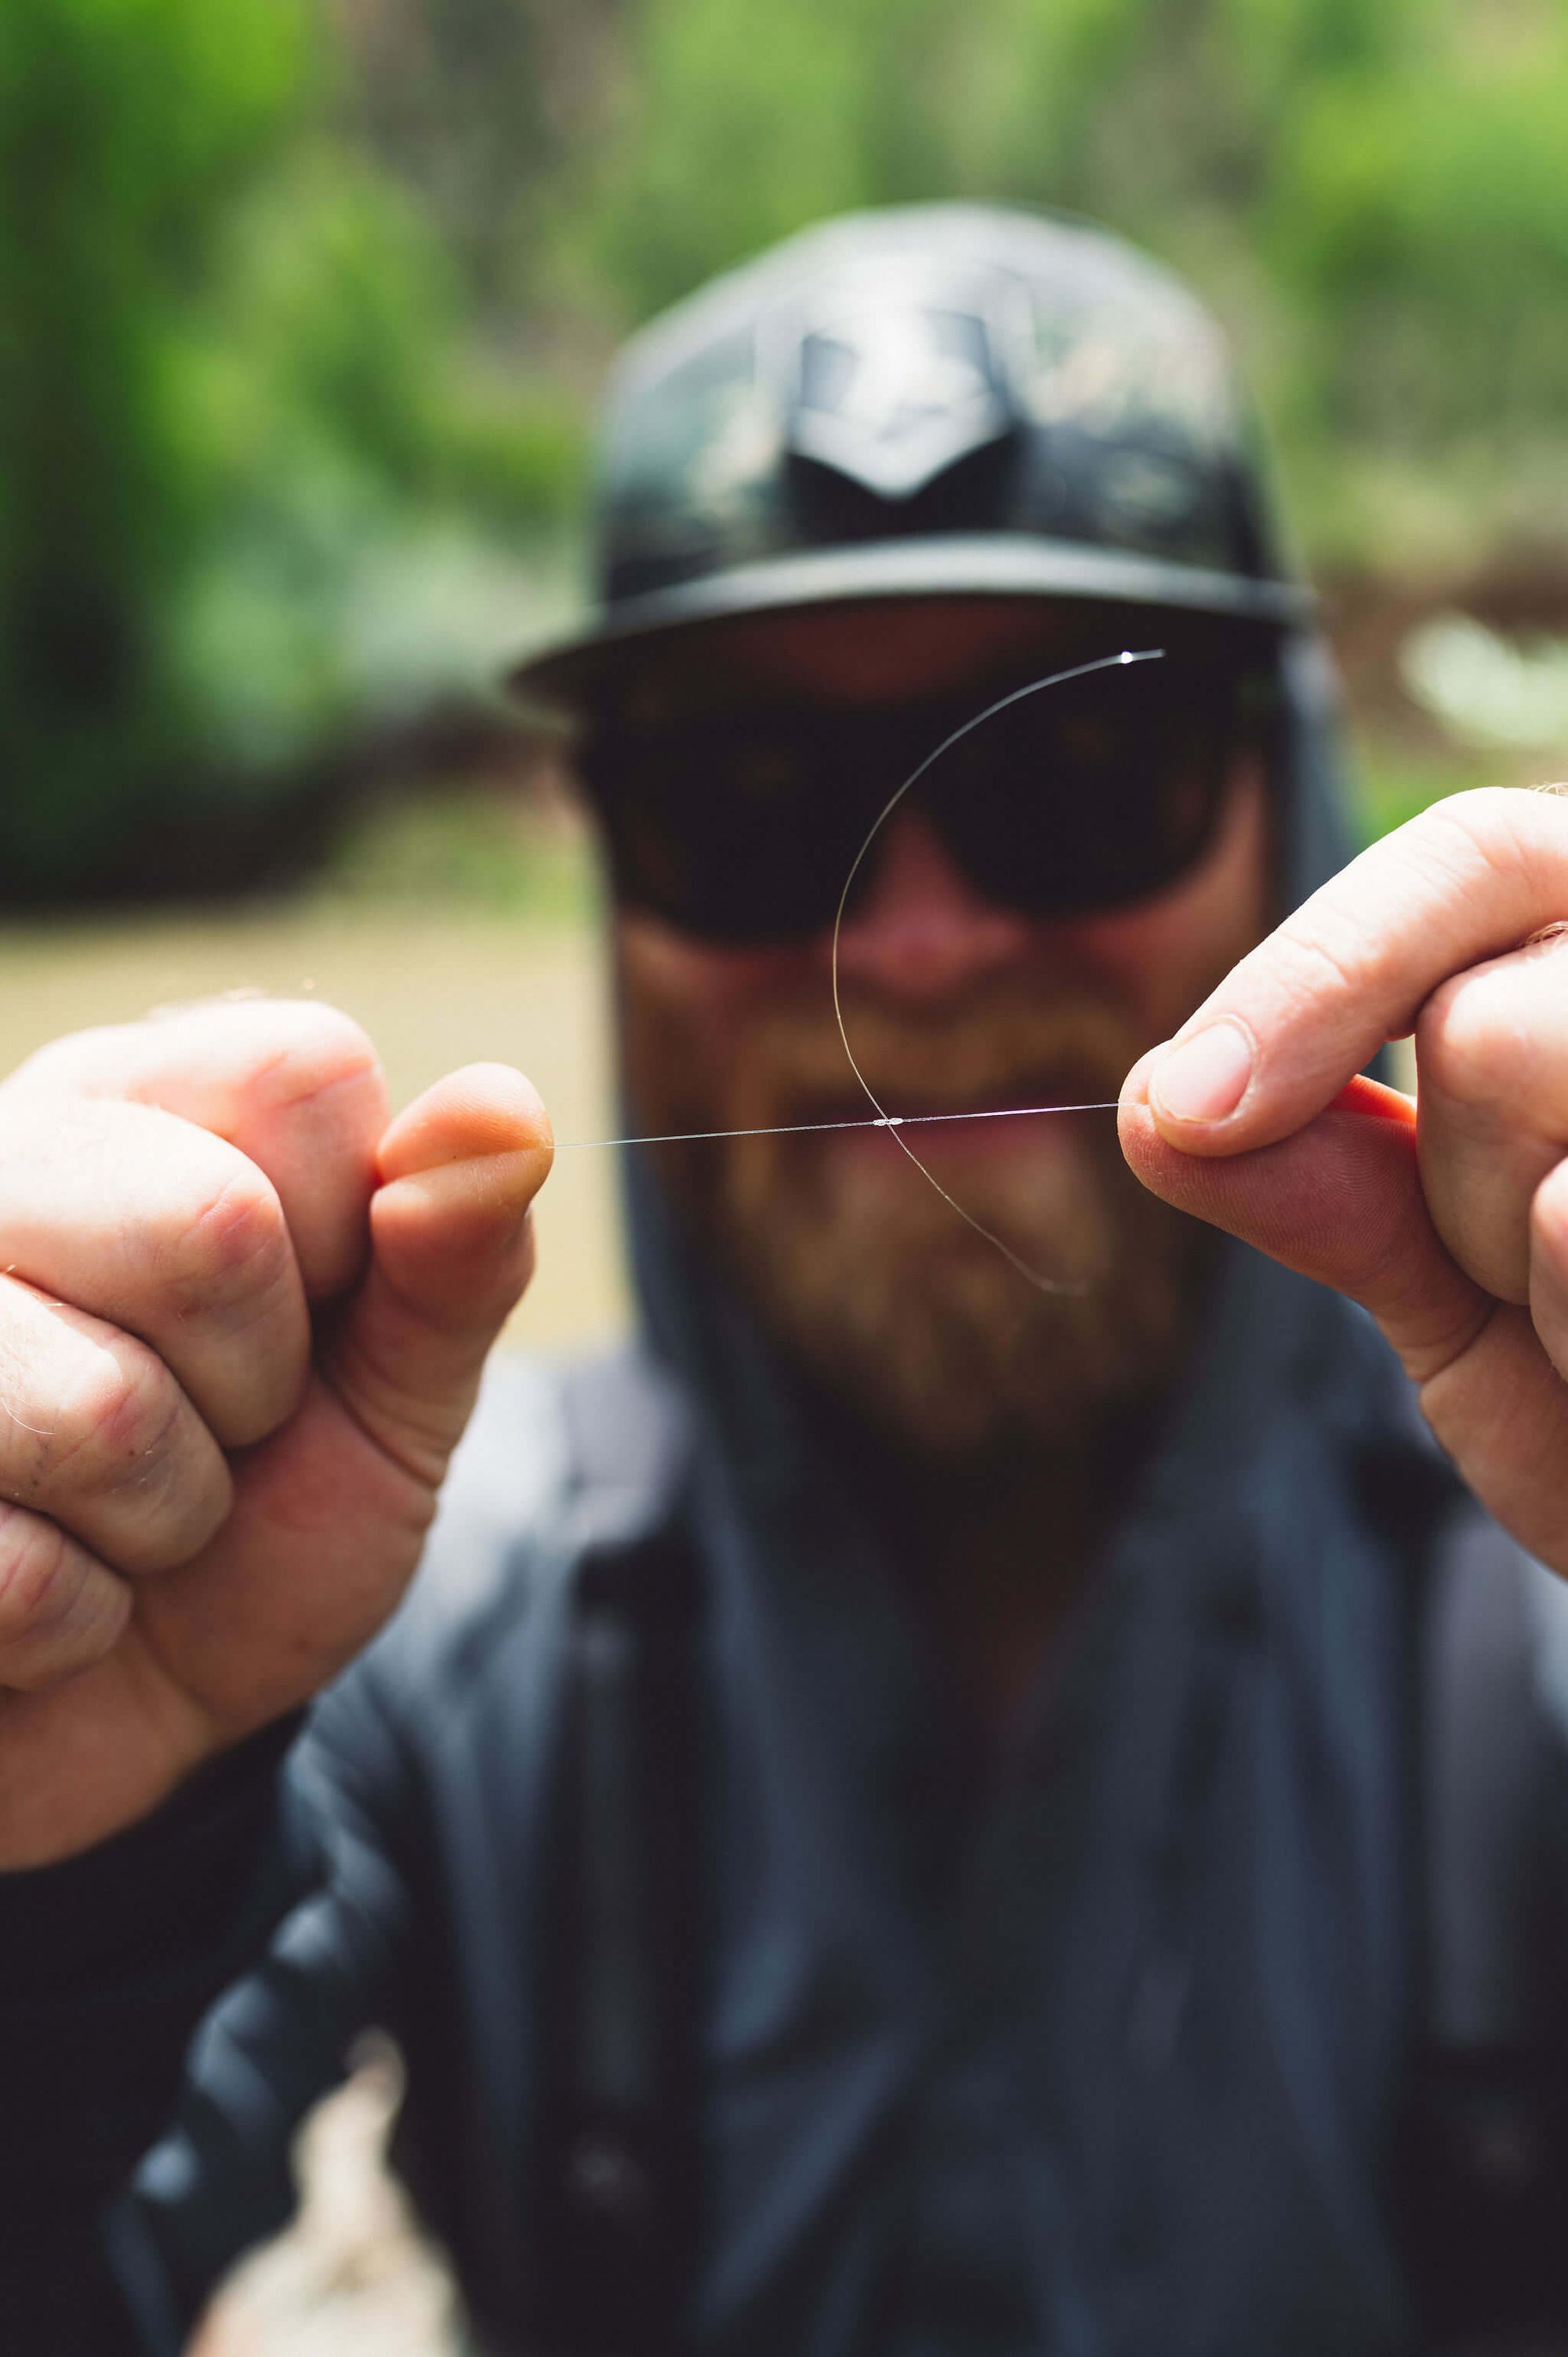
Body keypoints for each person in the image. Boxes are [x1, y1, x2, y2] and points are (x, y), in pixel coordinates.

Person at [4, 204, 1568, 2357]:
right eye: (743, 799)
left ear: (1288, 806)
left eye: (1072, 772)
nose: (909, 948)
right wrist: (53, 1886)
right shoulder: (368, 1620)